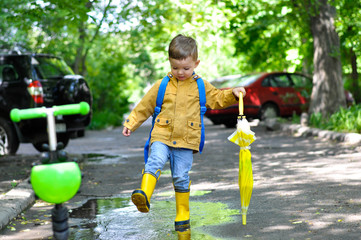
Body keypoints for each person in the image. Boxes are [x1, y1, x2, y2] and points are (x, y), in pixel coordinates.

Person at [122, 34, 246, 232]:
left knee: (180, 176)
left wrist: (233, 93)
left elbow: (218, 98)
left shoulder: (200, 85)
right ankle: (144, 195)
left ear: (196, 63)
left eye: (186, 68)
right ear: (170, 63)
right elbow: (145, 106)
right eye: (175, 67)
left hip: (187, 140)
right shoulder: (162, 85)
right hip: (161, 134)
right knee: (155, 161)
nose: (180, 72)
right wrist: (131, 122)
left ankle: (182, 213)